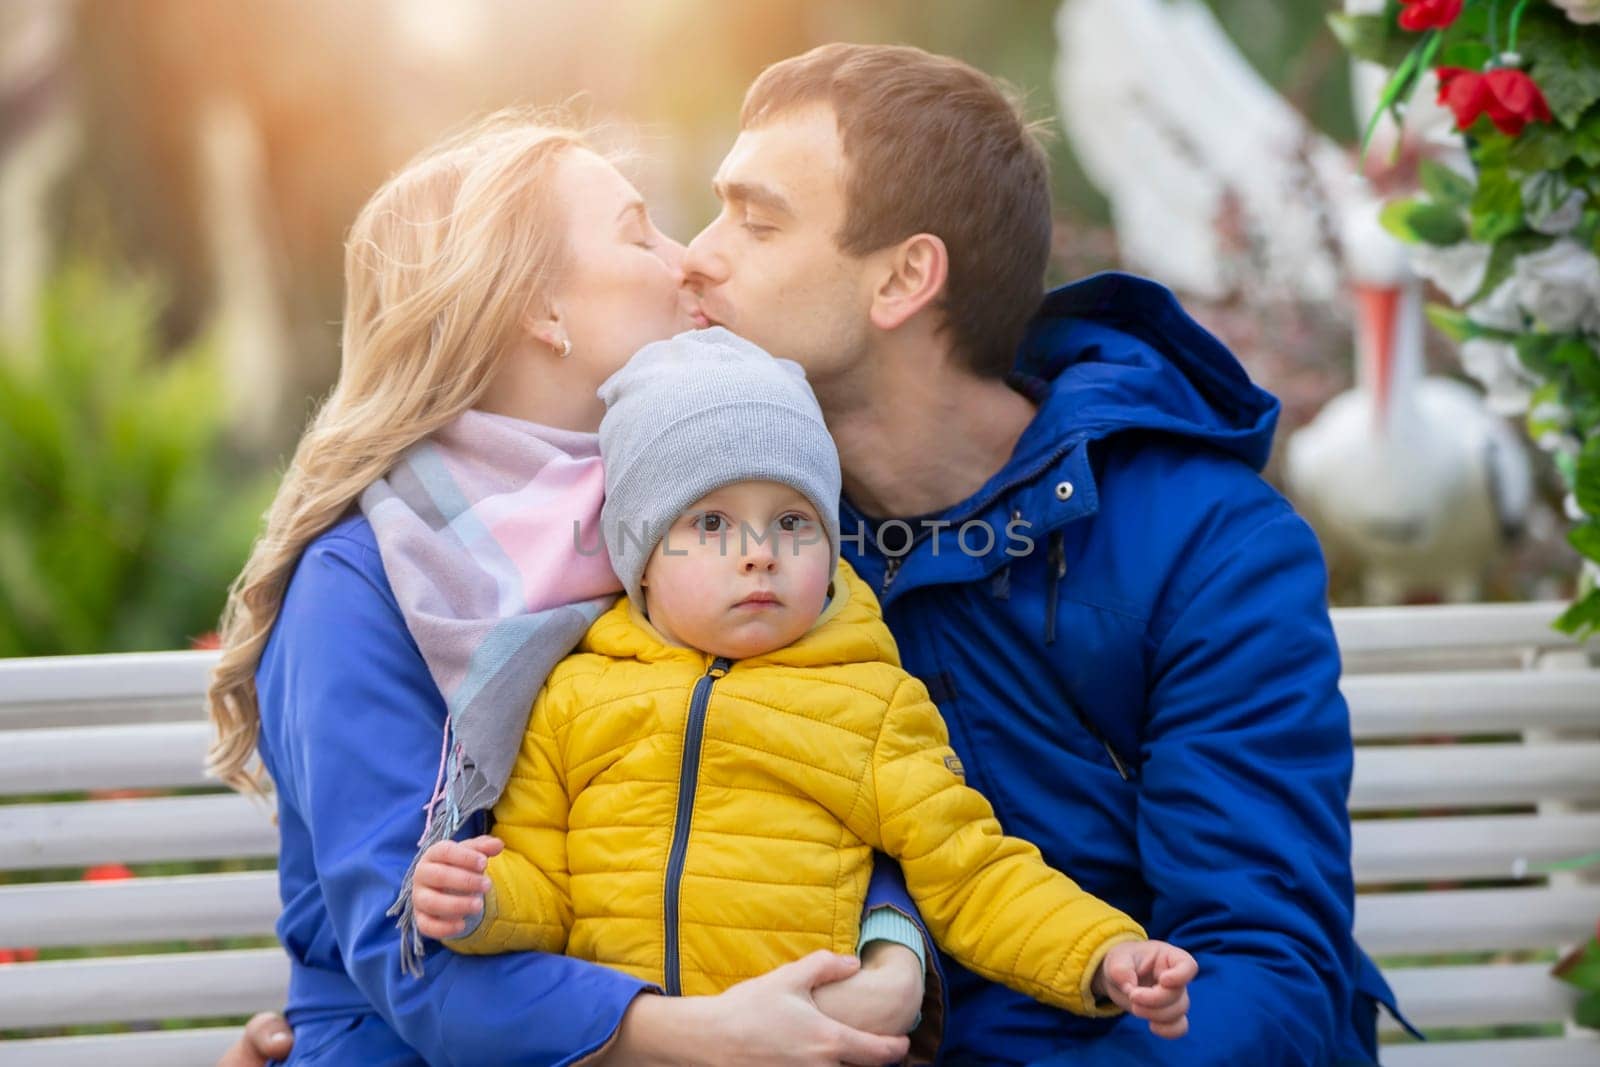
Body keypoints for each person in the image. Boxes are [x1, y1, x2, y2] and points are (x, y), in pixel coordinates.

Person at [226, 41, 1402, 1067]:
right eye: (676, 219)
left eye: (755, 217)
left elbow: (1262, 969)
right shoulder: (694, 552)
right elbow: (528, 870)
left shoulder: (1202, 545)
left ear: (903, 277)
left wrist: (891, 955)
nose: (693, 256)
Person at [207, 111, 932, 1067]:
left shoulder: (696, 521)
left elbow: (823, 763)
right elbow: (410, 947)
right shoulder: (360, 580)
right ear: (542, 310)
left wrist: (894, 954)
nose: (689, 263)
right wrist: (702, 1034)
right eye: (642, 231)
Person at [409, 329, 1196, 1039]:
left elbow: (974, 875)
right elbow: (548, 889)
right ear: (638, 554)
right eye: (710, 523)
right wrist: (478, 901)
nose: (759, 553)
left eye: (793, 521)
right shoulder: (572, 697)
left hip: (807, 1044)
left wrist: (1104, 952)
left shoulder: (871, 703)